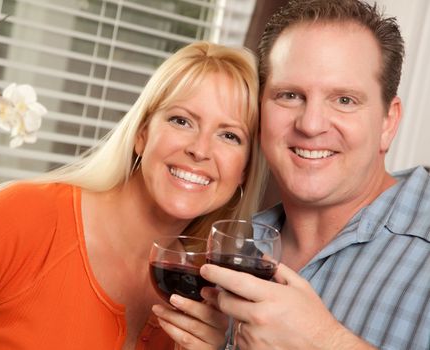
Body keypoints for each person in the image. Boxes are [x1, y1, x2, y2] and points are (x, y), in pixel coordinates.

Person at [0, 41, 268, 349]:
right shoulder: (18, 219)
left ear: (244, 171)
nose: (200, 150)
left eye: (229, 136)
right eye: (181, 120)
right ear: (142, 133)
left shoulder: (203, 296)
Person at [166, 0, 430, 349]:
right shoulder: (229, 244)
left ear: (388, 121)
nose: (310, 125)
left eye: (344, 100)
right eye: (289, 95)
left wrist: (327, 342)